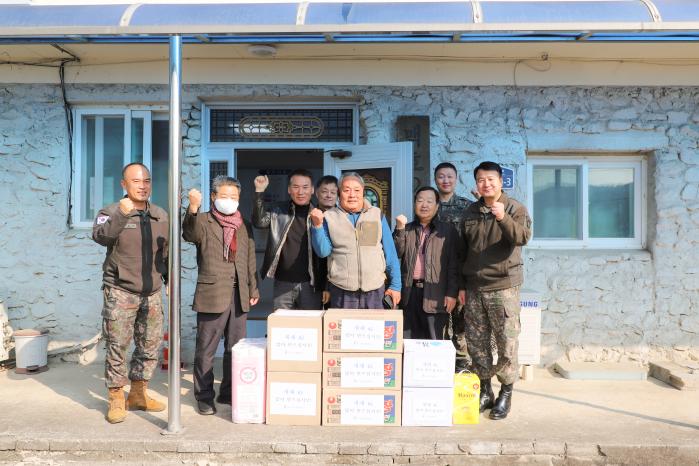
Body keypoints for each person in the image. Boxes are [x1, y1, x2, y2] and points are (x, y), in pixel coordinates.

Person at [92, 162, 168, 424]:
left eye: (147, 180)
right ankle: (116, 397)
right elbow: (101, 237)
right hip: (120, 290)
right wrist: (122, 215)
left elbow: (165, 252)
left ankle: (138, 394)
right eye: (136, 181)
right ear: (124, 185)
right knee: (118, 346)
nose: (143, 185)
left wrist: (165, 279)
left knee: (150, 344)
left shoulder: (160, 214)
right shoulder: (111, 211)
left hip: (152, 291)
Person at [457, 161, 531, 420]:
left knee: (506, 343)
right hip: (475, 287)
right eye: (480, 180)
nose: (485, 184)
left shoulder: (515, 209)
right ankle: (485, 390)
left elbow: (522, 238)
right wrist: (460, 287)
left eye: (490, 179)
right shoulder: (470, 212)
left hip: (503, 287)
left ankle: (506, 393)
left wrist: (503, 217)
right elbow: (460, 252)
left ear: (500, 181)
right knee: (477, 343)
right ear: (476, 183)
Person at [183, 176, 260, 415]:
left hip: (240, 293)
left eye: (234, 197)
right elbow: (190, 234)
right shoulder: (204, 220)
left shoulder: (243, 223)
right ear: (214, 197)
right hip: (212, 292)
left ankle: (229, 392)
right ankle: (204, 396)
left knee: (235, 348)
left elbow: (249, 258)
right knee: (206, 348)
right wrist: (193, 208)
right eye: (224, 196)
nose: (229, 201)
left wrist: (253, 287)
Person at [310, 172, 401, 309]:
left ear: (363, 192)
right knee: (343, 330)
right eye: (346, 190)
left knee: (374, 330)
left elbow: (391, 254)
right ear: (340, 193)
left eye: (357, 190)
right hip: (341, 290)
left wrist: (395, 286)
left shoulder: (377, 215)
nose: (352, 195)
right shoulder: (329, 217)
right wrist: (317, 226)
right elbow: (323, 252)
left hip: (375, 290)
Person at [393, 187, 459, 339]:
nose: (424, 205)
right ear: (414, 204)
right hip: (409, 294)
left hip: (435, 295)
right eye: (420, 200)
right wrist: (400, 229)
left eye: (429, 201)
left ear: (437, 206)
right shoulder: (406, 229)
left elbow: (454, 265)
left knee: (434, 344)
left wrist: (451, 293)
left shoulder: (447, 231)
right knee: (408, 343)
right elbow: (396, 253)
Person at [252, 169, 322, 310]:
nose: (300, 192)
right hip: (282, 283)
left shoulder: (319, 213)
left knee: (311, 328)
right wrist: (259, 192)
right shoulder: (279, 210)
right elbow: (259, 222)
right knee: (282, 328)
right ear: (289, 189)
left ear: (312, 190)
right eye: (295, 187)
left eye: (305, 187)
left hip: (311, 284)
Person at [434, 162, 473, 371]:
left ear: (456, 179)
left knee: (460, 322)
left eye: (449, 176)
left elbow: (471, 243)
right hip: (436, 273)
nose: (445, 180)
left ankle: (460, 363)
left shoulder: (467, 206)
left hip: (459, 271)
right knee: (439, 319)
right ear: (435, 179)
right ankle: (439, 362)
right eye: (441, 176)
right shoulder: (430, 205)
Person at [314, 175, 339, 307]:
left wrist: (328, 286)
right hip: (313, 282)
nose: (329, 195)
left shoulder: (343, 217)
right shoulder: (310, 215)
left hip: (335, 282)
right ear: (317, 193)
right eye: (324, 191)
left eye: (333, 192)